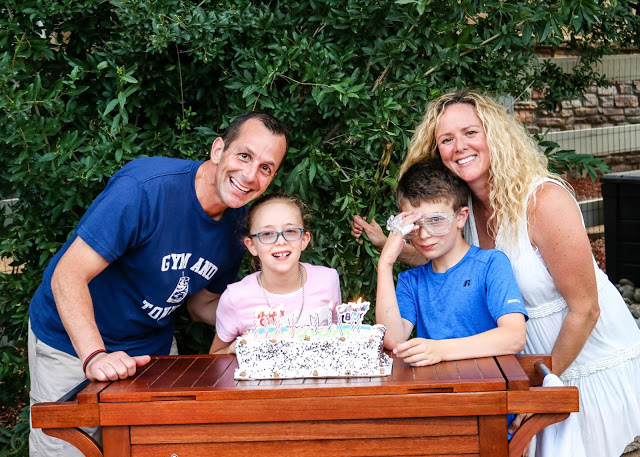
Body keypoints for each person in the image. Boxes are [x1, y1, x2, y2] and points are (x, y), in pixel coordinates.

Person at [354, 90, 640, 457]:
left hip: (585, 363)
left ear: (494, 136)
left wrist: (542, 389)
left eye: (470, 132)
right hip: (526, 370)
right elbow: (446, 261)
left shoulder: (542, 202)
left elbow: (586, 308)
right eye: (446, 139)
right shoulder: (466, 210)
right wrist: (388, 248)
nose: (460, 146)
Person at [28, 112, 289, 457]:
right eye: (244, 155)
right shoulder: (146, 189)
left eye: (266, 168)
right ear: (218, 150)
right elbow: (68, 274)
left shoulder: (238, 223)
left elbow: (201, 306)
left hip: (150, 351)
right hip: (72, 345)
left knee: (161, 449)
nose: (251, 175)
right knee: (66, 451)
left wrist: (267, 325)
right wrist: (94, 355)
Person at [376, 158, 527, 367]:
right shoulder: (411, 281)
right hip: (438, 384)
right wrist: (385, 264)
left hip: (490, 383)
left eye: (436, 220)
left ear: (461, 217)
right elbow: (393, 341)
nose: (424, 234)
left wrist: (441, 350)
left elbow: (514, 337)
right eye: (414, 224)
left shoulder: (490, 264)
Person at [210, 193, 341, 354]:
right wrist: (235, 347)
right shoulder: (235, 298)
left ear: (304, 239)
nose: (280, 241)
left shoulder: (327, 280)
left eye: (290, 231)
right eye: (267, 234)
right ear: (252, 246)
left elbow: (340, 338)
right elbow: (214, 357)